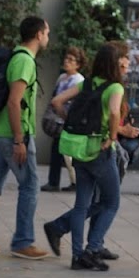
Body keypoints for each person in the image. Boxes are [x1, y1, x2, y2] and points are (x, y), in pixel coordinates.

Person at [0, 16, 52, 259]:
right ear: (38, 34)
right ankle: (23, 242)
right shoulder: (24, 61)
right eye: (47, 32)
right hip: (12, 136)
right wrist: (19, 140)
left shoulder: (14, 56)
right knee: (30, 186)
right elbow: (15, 102)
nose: (48, 37)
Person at [42, 43, 126, 271]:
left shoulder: (85, 83)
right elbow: (116, 112)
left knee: (81, 205)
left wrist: (69, 119)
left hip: (79, 149)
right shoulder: (115, 87)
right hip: (99, 149)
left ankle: (77, 255)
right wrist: (111, 137)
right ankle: (92, 248)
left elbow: (56, 101)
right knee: (111, 202)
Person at [42, 46, 86, 193]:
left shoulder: (79, 80)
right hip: (57, 119)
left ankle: (74, 181)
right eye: (66, 58)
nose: (67, 62)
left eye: (71, 60)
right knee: (57, 150)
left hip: (68, 120)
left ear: (78, 64)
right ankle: (55, 181)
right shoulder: (62, 77)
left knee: (67, 154)